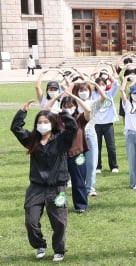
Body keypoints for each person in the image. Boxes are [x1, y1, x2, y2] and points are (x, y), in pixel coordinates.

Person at [11, 100, 78, 262]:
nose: (42, 125)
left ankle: (59, 249)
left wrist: (61, 112)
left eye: (46, 122)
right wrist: (22, 111)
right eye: (39, 122)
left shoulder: (62, 139)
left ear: (53, 123)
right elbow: (16, 128)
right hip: (36, 187)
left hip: (57, 188)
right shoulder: (32, 139)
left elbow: (73, 127)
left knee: (59, 222)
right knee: (31, 221)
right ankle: (40, 244)